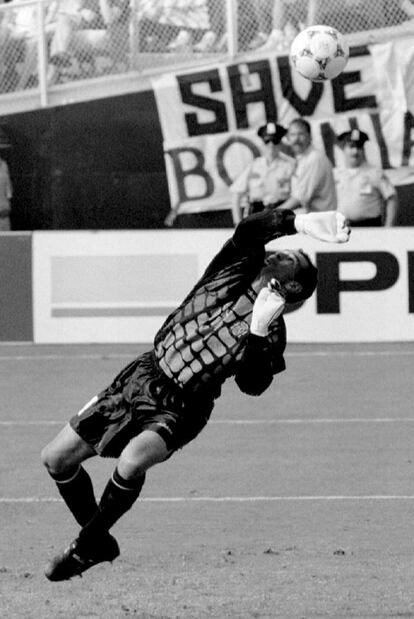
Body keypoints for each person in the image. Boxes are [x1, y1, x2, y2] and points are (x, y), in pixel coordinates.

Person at [41, 207, 350, 582]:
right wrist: (296, 222)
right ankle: (100, 541)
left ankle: (87, 543)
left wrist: (256, 331)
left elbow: (253, 386)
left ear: (293, 286)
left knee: (132, 461)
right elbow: (248, 230)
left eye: (288, 257)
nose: (277, 253)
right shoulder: (233, 268)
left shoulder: (272, 332)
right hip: (141, 374)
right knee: (56, 459)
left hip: (183, 407)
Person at [229, 121, 296, 225]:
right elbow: (236, 194)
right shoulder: (254, 166)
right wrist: (237, 222)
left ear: (280, 143)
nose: (271, 145)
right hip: (255, 216)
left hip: (279, 217)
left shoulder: (290, 166)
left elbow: (297, 196)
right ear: (262, 143)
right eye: (267, 141)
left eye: (275, 141)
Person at [334, 129, 399, 227]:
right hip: (342, 227)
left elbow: (392, 198)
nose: (355, 151)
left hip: (369, 227)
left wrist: (388, 227)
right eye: (351, 147)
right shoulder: (336, 173)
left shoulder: (374, 172)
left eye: (359, 147)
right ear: (344, 149)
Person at [276, 117, 337, 214]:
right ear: (288, 138)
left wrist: (270, 215)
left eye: (301, 134)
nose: (296, 139)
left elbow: (298, 198)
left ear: (309, 136)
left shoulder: (314, 159)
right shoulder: (301, 159)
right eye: (293, 135)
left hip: (321, 220)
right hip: (314, 219)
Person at [0, 152, 12, 230]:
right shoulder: (4, 167)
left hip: (3, 213)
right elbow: (9, 194)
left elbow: (9, 194)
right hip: (4, 212)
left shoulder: (4, 166)